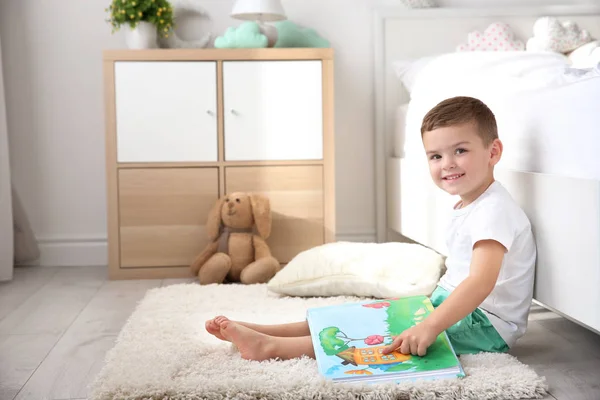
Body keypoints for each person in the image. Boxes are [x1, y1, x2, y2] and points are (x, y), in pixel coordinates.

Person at [205, 96, 537, 360]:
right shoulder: (471, 203)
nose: (446, 164)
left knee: (378, 336)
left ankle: (271, 348)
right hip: (452, 303)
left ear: (493, 151)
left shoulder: (494, 210)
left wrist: (431, 325)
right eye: (435, 156)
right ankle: (268, 331)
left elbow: (480, 282)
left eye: (460, 151)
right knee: (364, 314)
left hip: (487, 325)